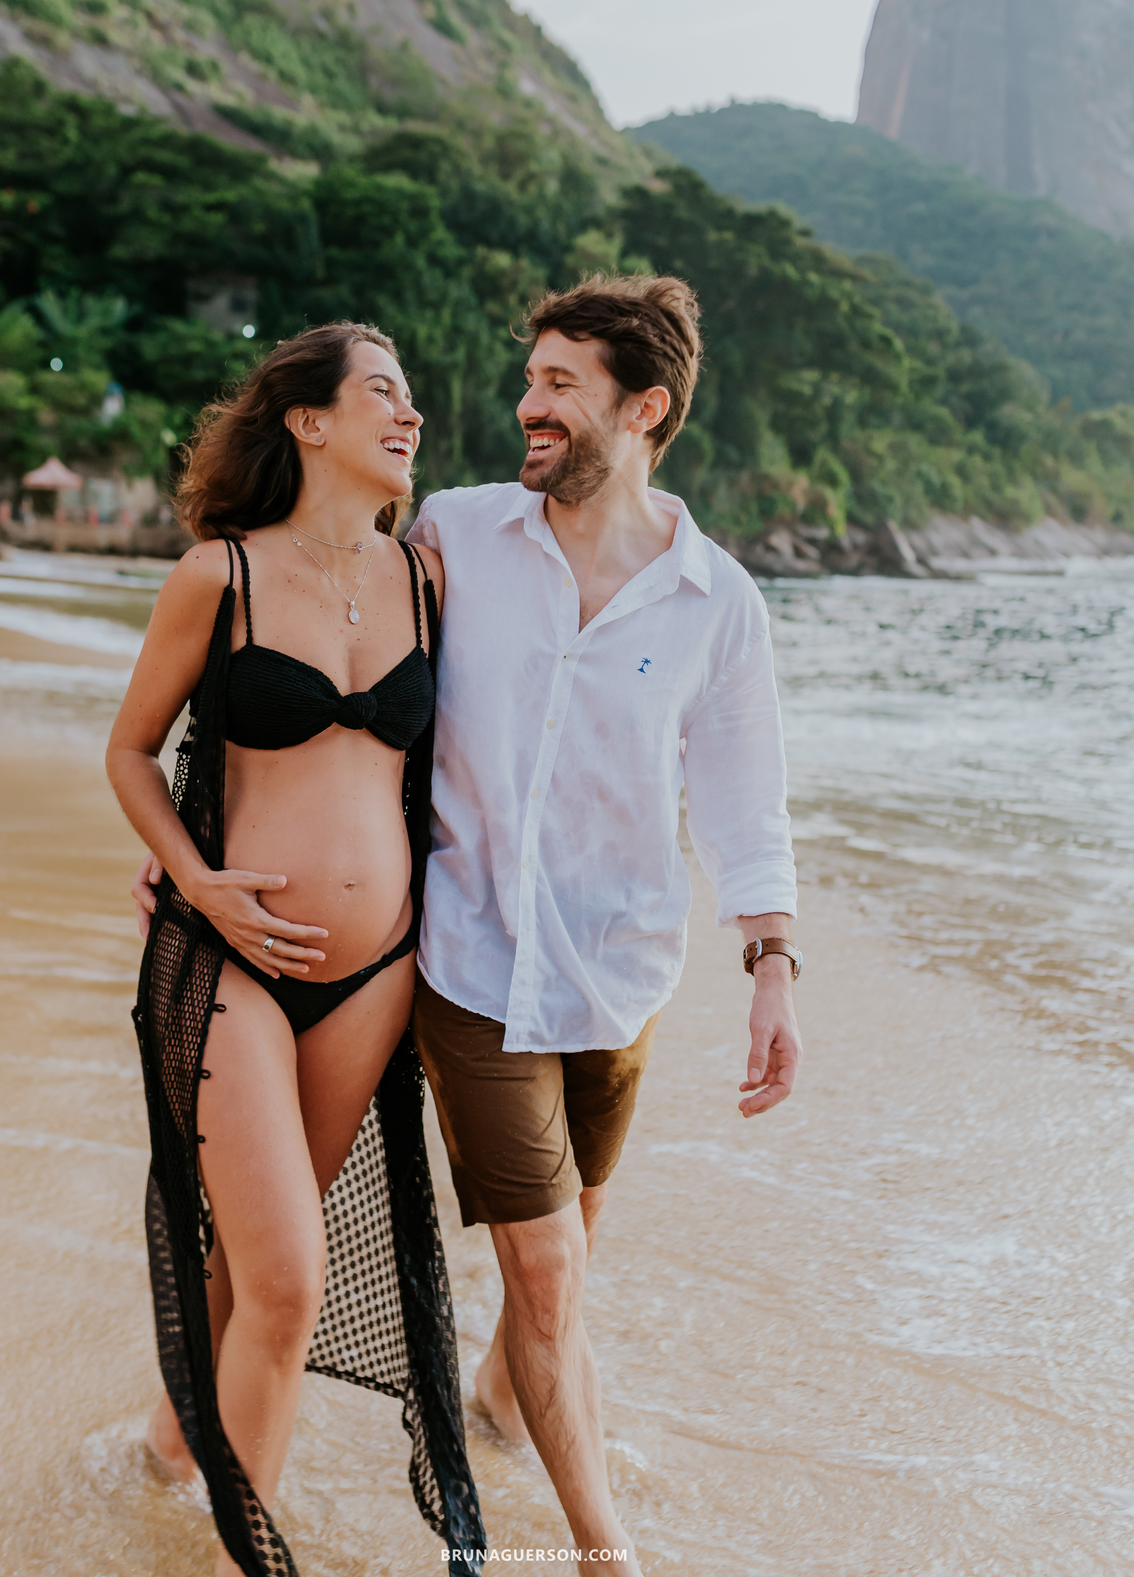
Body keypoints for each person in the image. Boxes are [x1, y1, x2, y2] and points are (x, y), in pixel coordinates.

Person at [404, 274, 801, 1572]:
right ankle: (601, 1548)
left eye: (560, 384)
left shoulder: (714, 601)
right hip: (467, 958)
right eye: (530, 378)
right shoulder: (455, 534)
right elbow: (325, 647)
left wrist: (772, 966)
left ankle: (494, 1404)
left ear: (646, 408)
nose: (529, 404)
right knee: (553, 1270)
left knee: (572, 1247)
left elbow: (745, 799)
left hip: (621, 974)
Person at [108, 323, 484, 1577]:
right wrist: (197, 875)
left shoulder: (426, 581)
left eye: (413, 398)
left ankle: (170, 1447)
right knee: (286, 1280)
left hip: (376, 979)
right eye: (382, 391)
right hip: (233, 961)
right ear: (308, 422)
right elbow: (129, 749)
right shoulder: (217, 576)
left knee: (250, 1251)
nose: (410, 414)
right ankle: (248, 1559)